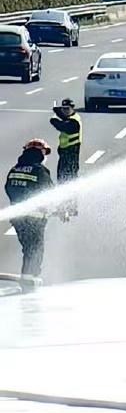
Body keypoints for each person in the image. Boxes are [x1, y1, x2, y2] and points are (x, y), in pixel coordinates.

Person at [4, 139, 54, 282]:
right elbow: (50, 192)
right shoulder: (40, 170)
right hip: (35, 219)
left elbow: (9, 188)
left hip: (18, 219)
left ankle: (28, 277)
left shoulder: (15, 169)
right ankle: (30, 279)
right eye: (45, 153)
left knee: (28, 248)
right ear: (40, 152)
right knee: (35, 249)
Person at [49, 98, 81, 218]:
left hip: (71, 156)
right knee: (64, 180)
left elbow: (62, 126)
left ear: (73, 108)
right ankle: (67, 207)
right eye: (64, 109)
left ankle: (70, 208)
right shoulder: (72, 117)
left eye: (68, 109)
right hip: (65, 155)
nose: (65, 111)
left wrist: (53, 119)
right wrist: (57, 111)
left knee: (67, 181)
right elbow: (63, 117)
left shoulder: (73, 122)